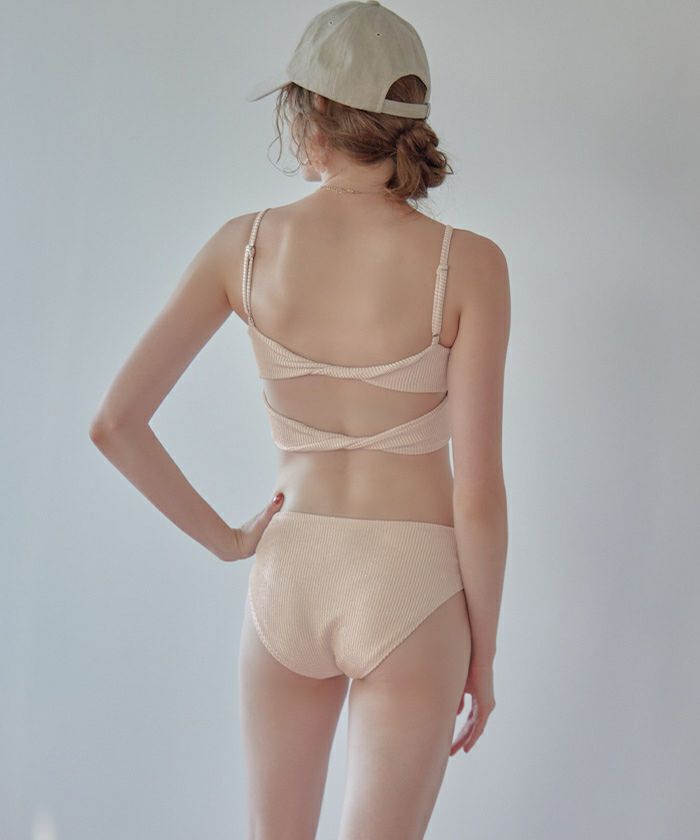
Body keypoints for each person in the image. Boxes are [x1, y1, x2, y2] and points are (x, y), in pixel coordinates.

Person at [89, 1, 510, 837]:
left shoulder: (243, 248)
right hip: (414, 583)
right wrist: (483, 655)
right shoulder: (467, 264)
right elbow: (478, 493)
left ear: (310, 110)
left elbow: (115, 424)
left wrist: (227, 540)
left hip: (289, 574)